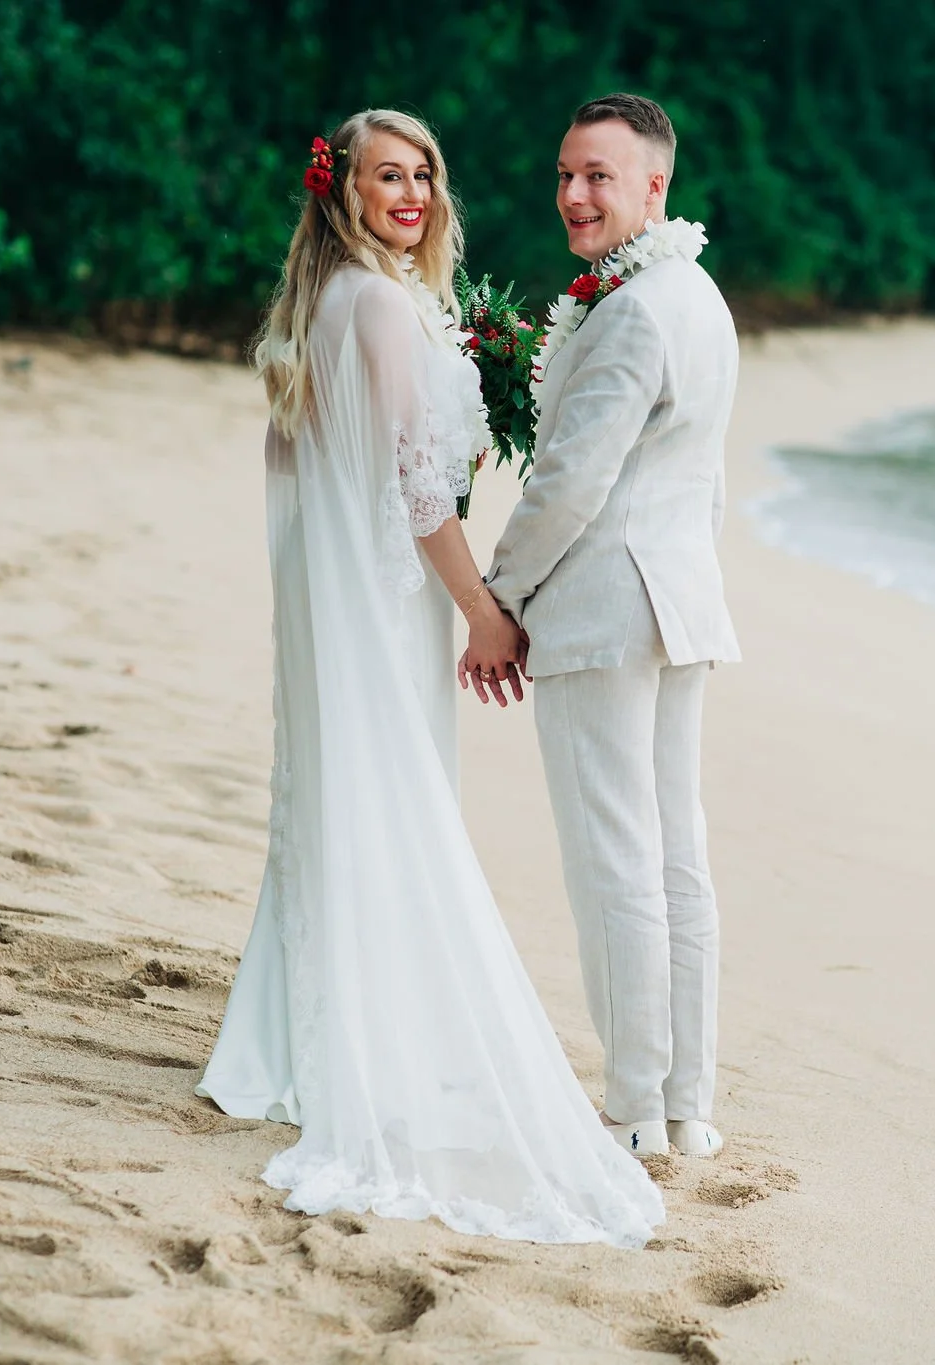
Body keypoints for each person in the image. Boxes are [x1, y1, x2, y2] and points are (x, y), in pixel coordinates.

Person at [194, 107, 662, 1249]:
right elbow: (419, 497)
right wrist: (484, 613)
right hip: (389, 605)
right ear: (339, 191)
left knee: (348, 798)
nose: (408, 194)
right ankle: (366, 1040)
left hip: (359, 608)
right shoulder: (375, 308)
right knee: (390, 803)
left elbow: (313, 472)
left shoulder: (352, 304)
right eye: (384, 177)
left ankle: (290, 1038)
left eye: (422, 175)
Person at [484, 94, 740, 1162]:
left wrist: (499, 595)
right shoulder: (701, 297)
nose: (574, 196)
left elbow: (569, 481)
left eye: (598, 176)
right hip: (678, 599)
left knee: (615, 861)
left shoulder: (635, 311)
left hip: (603, 606)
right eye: (563, 174)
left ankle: (633, 1108)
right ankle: (688, 1107)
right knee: (674, 854)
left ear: (653, 188)